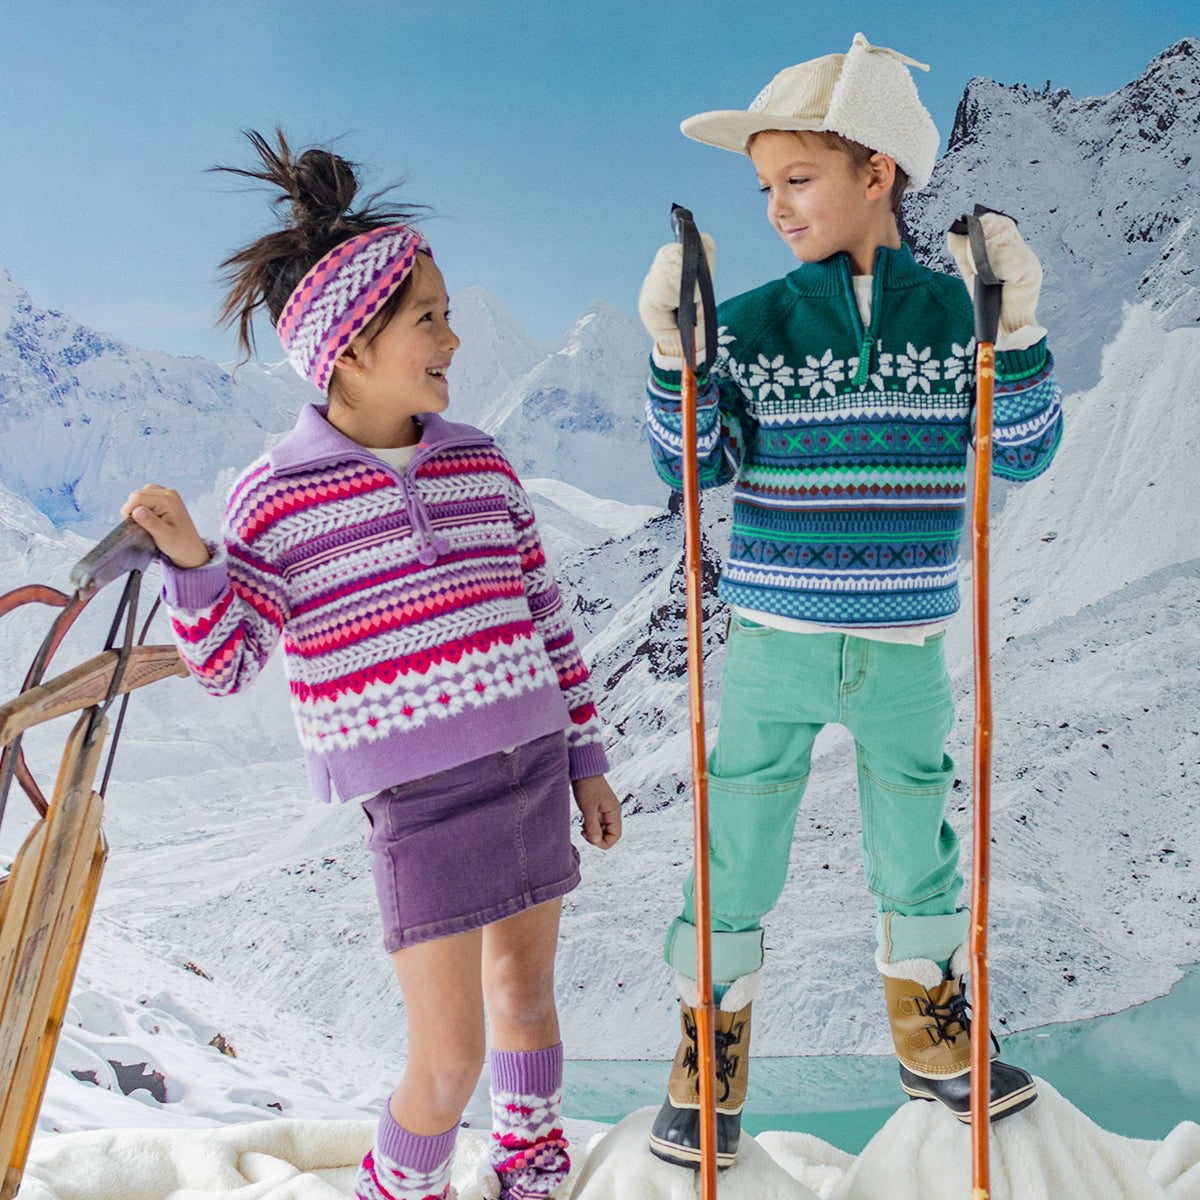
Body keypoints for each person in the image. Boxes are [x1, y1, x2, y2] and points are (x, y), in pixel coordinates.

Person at [122, 131, 621, 1200]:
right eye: (428, 318)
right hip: (419, 803)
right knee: (445, 1062)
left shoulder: (480, 460)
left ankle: (532, 1168)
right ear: (350, 345)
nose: (453, 337)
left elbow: (544, 611)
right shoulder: (278, 494)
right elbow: (225, 663)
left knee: (529, 1005)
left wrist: (585, 755)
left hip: (531, 760)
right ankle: (399, 1190)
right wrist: (193, 564)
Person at [636, 34, 1062, 1169]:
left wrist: (1013, 332)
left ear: (878, 172)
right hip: (775, 640)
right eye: (764, 185)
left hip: (904, 649)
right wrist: (676, 362)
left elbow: (1019, 456)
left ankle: (930, 1040)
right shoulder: (760, 321)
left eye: (797, 179)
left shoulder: (950, 311)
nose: (775, 206)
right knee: (737, 844)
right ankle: (705, 1055)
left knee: (913, 845)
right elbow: (696, 467)